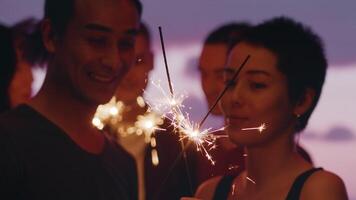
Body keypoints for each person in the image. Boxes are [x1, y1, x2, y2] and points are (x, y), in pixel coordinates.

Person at [0, 0, 142, 199]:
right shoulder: (8, 144)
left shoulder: (122, 163)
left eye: (126, 44)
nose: (113, 60)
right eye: (97, 40)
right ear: (50, 36)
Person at [194, 16, 348, 199]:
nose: (235, 97)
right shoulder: (210, 192)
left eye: (257, 85)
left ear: (302, 101)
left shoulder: (319, 189)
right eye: (230, 82)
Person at [98, 22, 193, 200]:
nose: (128, 73)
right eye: (121, 61)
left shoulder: (176, 140)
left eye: (138, 61)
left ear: (152, 61)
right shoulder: (90, 134)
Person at [195, 22, 250, 185]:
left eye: (221, 76)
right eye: (203, 74)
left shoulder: (278, 160)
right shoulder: (197, 153)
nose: (208, 87)